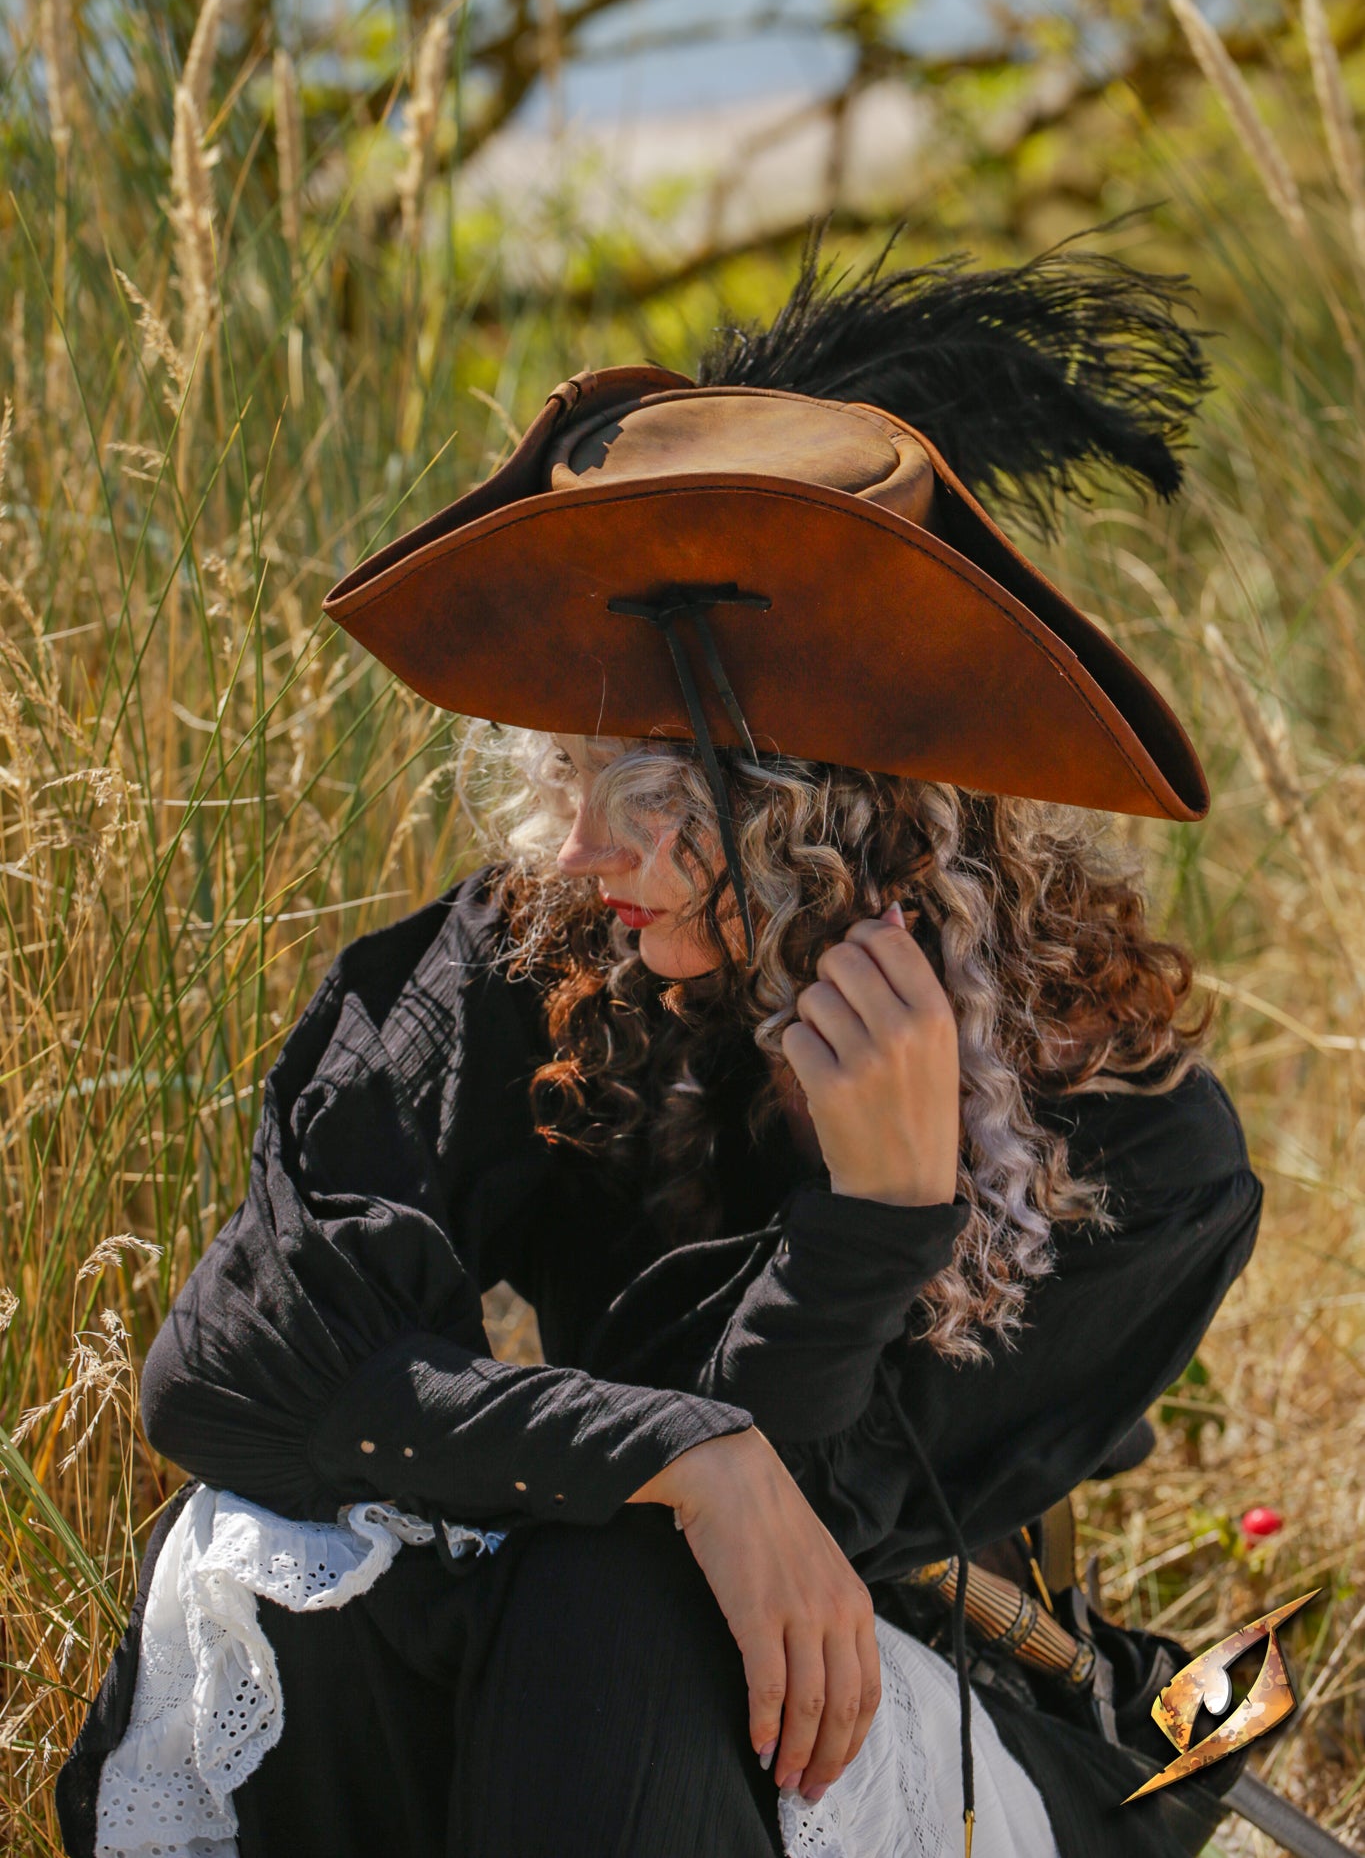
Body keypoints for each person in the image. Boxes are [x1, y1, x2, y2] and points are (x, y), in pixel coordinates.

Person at [59, 241, 1262, 1858]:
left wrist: (875, 1228)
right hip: (580, 1669)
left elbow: (818, 1552)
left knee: (622, 1586)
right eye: (564, 769)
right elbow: (228, 1373)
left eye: (640, 785)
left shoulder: (1126, 1142)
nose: (572, 851)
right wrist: (681, 1452)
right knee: (284, 1546)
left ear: (832, 815)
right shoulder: (538, 959)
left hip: (869, 1709)